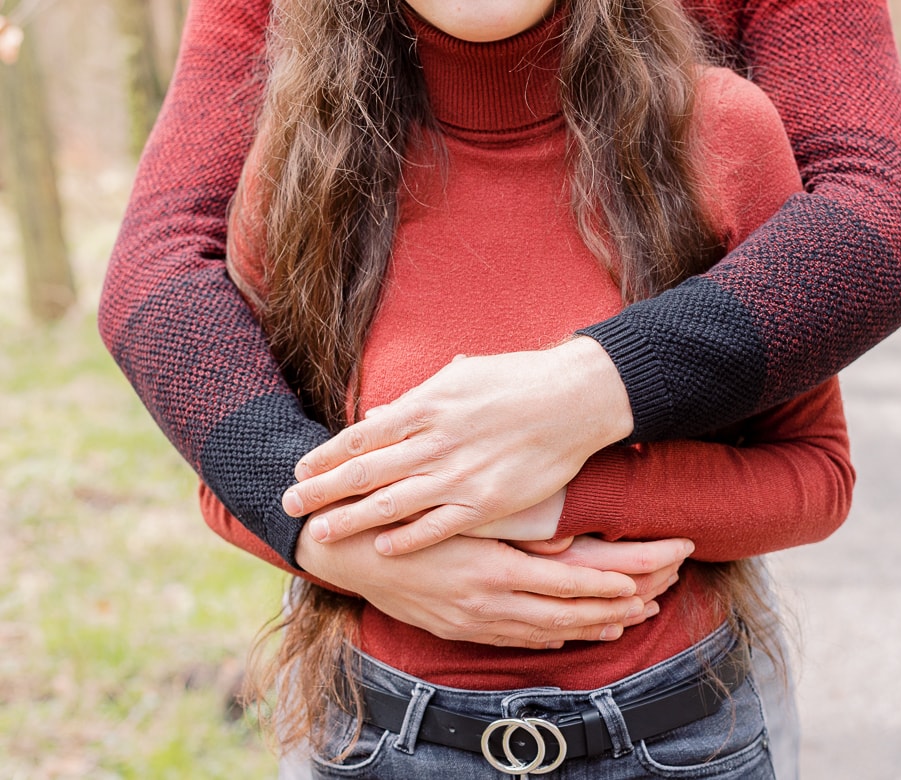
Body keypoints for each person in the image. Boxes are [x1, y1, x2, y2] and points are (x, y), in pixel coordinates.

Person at [196, 0, 852, 776]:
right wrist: (372, 550)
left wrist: (570, 499)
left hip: (677, 738)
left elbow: (815, 472)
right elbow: (228, 480)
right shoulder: (306, 147)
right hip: (379, 743)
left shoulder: (719, 129)